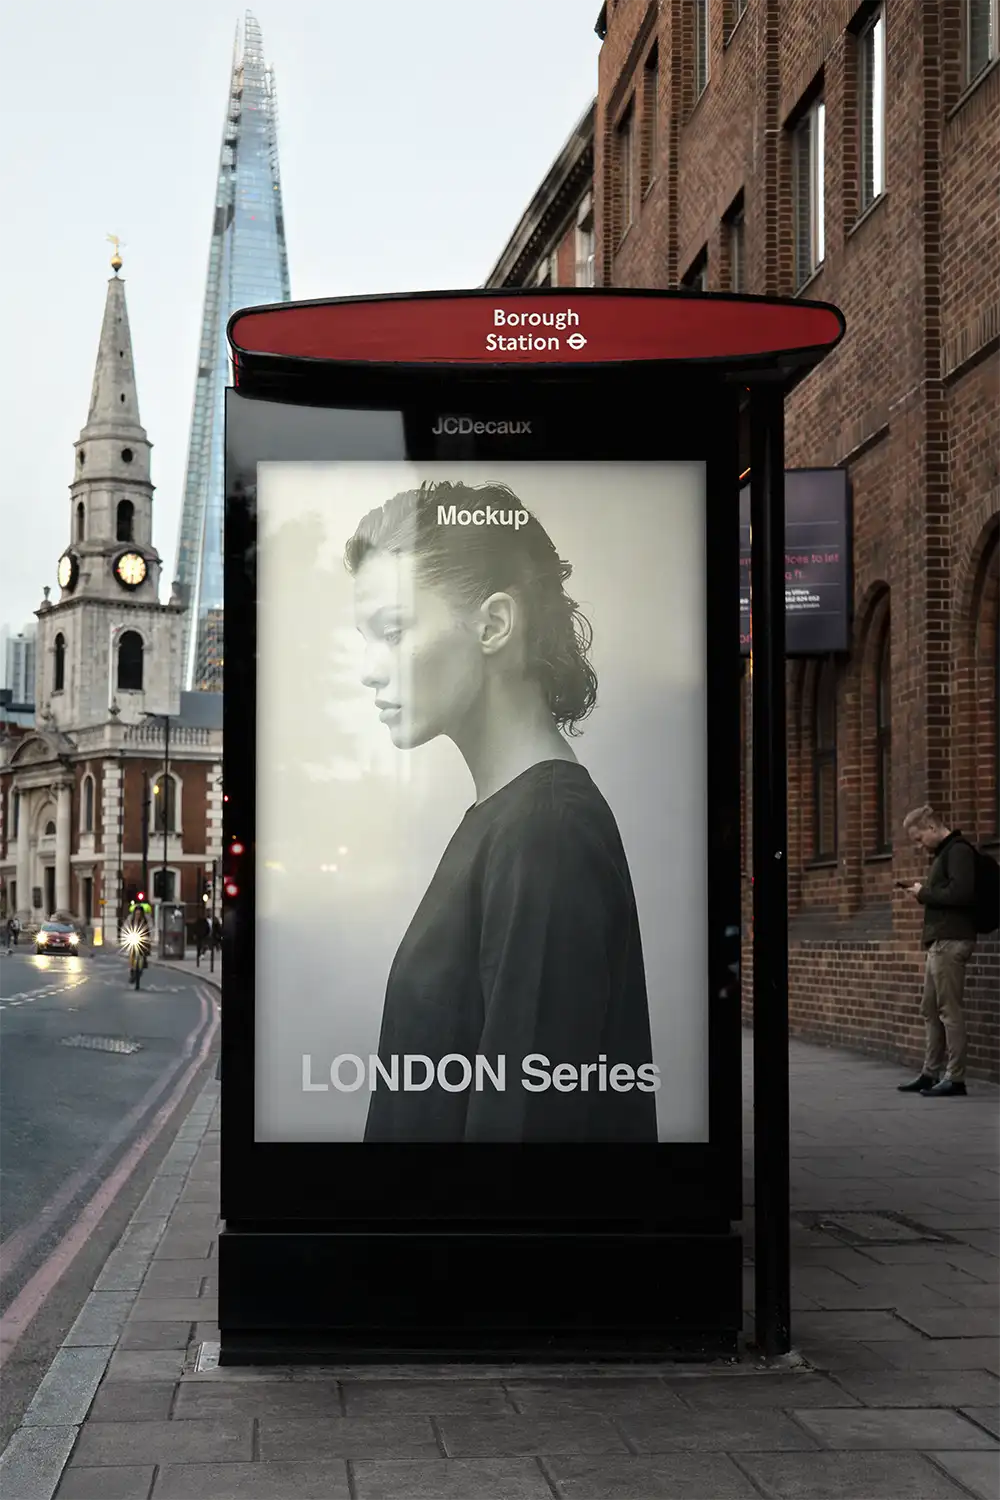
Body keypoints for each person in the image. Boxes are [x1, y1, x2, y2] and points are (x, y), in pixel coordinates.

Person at [345, 479, 657, 1144]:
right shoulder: (509, 818)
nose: (371, 670)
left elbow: (524, 1154)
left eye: (393, 631)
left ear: (493, 624)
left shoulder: (543, 833)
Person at [897, 804, 977, 1098]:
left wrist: (923, 893)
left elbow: (961, 893)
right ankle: (930, 1073)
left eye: (919, 838)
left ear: (932, 827)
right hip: (939, 942)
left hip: (951, 941)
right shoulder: (944, 854)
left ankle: (955, 1078)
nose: (919, 845)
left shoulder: (958, 851)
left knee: (948, 1010)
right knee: (929, 1009)